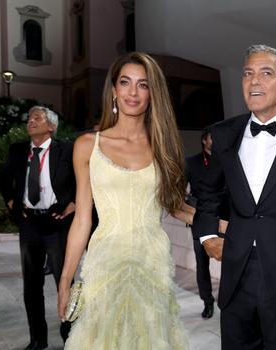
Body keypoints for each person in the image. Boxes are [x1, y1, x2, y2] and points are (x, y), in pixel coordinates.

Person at [192, 44, 276, 349]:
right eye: (248, 74)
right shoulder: (224, 133)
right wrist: (207, 236)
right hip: (236, 274)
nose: (254, 81)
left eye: (266, 73)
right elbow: (208, 193)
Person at [57, 52, 192, 349]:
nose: (133, 92)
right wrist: (66, 279)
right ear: (114, 90)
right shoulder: (87, 146)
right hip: (107, 261)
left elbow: (176, 207)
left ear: (152, 93)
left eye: (143, 85)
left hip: (152, 262)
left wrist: (226, 225)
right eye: (125, 82)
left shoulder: (163, 148)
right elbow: (82, 219)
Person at [0, 106, 75, 350]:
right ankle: (37, 339)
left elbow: (84, 178)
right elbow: (3, 180)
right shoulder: (18, 151)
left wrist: (73, 204)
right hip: (29, 223)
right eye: (29, 118)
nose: (31, 121)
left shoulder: (66, 150)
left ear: (51, 126)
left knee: (65, 282)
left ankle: (71, 338)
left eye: (37, 118)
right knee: (31, 286)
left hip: (57, 222)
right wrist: (13, 202)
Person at [185, 128, 220, 319]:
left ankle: (229, 300)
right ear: (204, 141)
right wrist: (190, 211)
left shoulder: (226, 159)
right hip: (200, 218)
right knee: (202, 263)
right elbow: (179, 191)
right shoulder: (191, 162)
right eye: (212, 137)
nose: (215, 141)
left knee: (232, 260)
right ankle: (207, 301)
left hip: (223, 218)